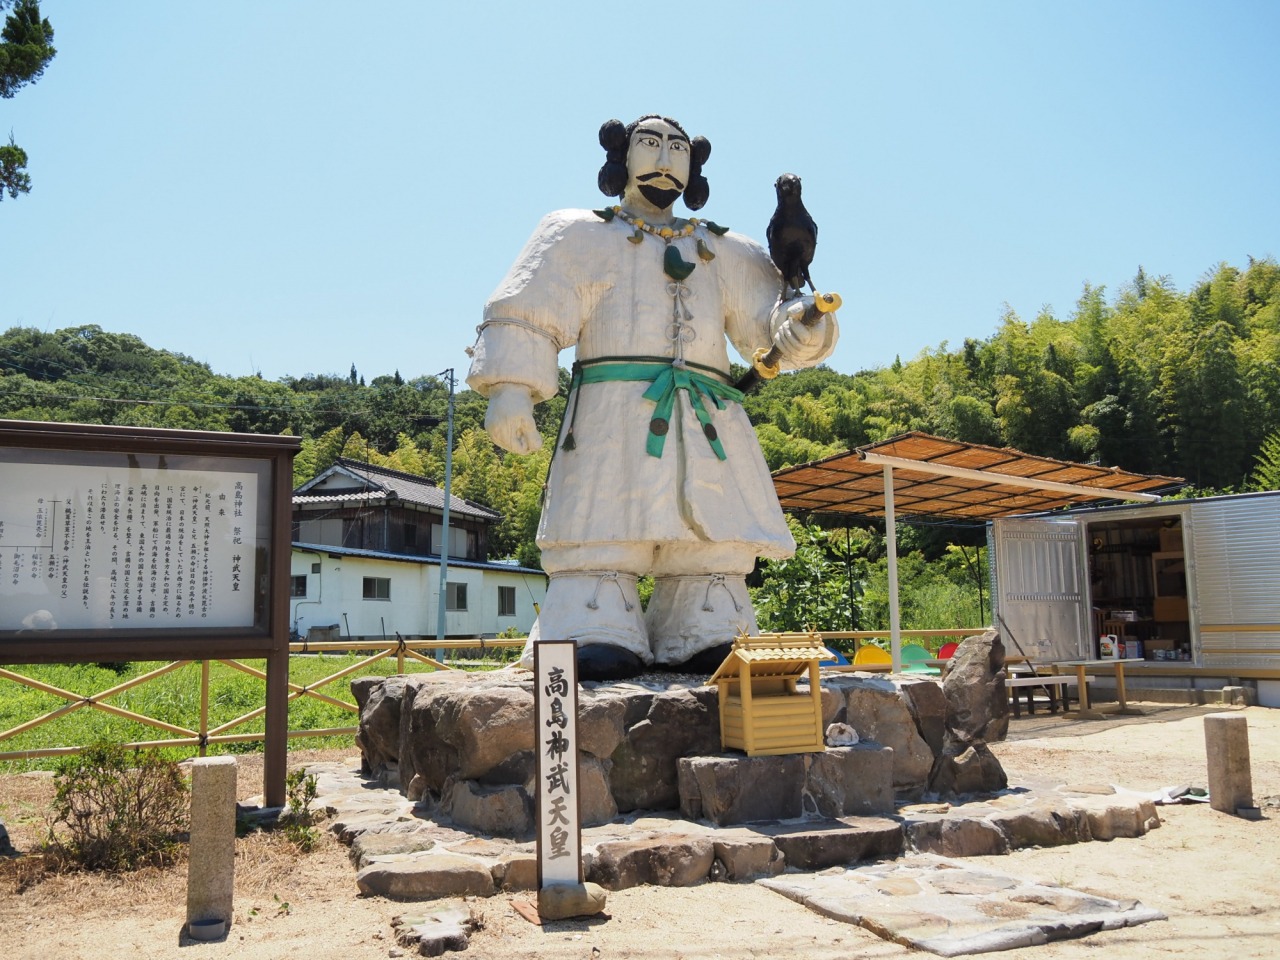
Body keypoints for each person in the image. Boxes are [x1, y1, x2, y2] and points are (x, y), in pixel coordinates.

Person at [466, 115, 838, 680]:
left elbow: (768, 326)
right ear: (623, 155)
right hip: (611, 408)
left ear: (694, 166)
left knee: (710, 537)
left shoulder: (723, 248)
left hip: (707, 410)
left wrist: (803, 324)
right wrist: (511, 387)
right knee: (602, 521)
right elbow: (528, 310)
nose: (665, 160)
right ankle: (593, 618)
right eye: (650, 144)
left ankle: (705, 619)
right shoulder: (578, 233)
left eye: (677, 150)